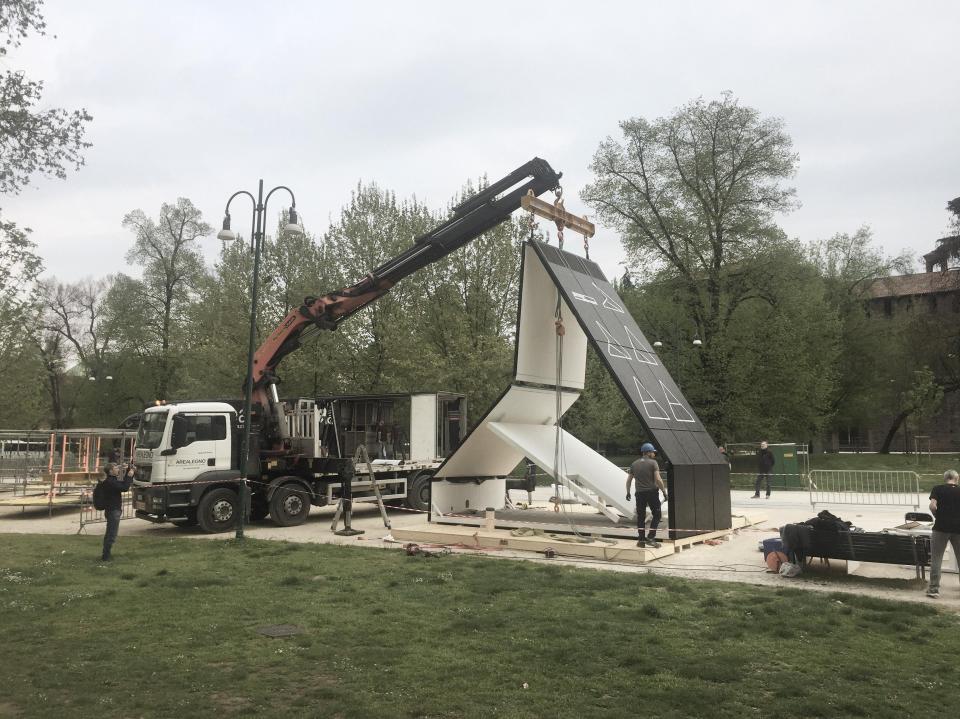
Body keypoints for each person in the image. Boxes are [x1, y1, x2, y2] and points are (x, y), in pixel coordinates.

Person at [926, 469, 960, 599]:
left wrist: (937, 516)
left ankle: (934, 589)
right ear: (956, 479)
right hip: (958, 528)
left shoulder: (938, 489)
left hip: (940, 527)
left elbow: (932, 506)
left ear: (945, 478)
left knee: (937, 558)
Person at [626, 443, 667, 549]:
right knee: (657, 515)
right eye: (653, 452)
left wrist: (628, 492)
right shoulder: (653, 463)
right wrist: (664, 491)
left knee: (640, 517)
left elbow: (629, 480)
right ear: (648, 452)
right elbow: (658, 479)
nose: (654, 454)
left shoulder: (634, 464)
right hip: (652, 493)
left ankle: (641, 540)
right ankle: (651, 538)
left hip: (639, 494)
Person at [100, 462, 135, 562]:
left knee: (110, 533)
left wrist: (128, 470)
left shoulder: (112, 480)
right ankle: (106, 556)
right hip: (113, 510)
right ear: (111, 471)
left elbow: (122, 484)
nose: (118, 469)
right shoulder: (110, 482)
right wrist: (129, 476)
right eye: (115, 468)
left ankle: (106, 554)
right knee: (112, 534)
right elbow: (124, 488)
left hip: (112, 510)